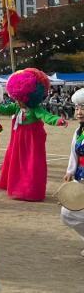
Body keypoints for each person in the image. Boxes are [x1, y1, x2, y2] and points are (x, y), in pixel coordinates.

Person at [0, 68, 68, 202]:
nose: (16, 101)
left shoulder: (35, 109)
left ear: (27, 97)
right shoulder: (16, 107)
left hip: (32, 140)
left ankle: (29, 190)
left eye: (19, 98)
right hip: (18, 139)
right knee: (16, 162)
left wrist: (59, 121)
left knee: (31, 164)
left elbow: (47, 116)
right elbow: (1, 109)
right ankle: (15, 186)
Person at [61, 87, 84, 257]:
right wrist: (70, 170)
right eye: (77, 107)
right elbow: (73, 153)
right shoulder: (79, 131)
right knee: (68, 213)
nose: (79, 112)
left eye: (83, 107)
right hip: (79, 178)